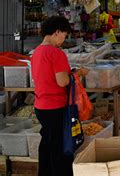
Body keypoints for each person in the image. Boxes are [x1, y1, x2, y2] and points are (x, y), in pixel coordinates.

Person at [31, 16, 74, 176]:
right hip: (55, 106)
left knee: (47, 143)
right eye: (64, 35)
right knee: (58, 147)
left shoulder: (36, 52)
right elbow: (62, 81)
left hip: (40, 106)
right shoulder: (56, 53)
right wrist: (76, 75)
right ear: (57, 32)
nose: (63, 39)